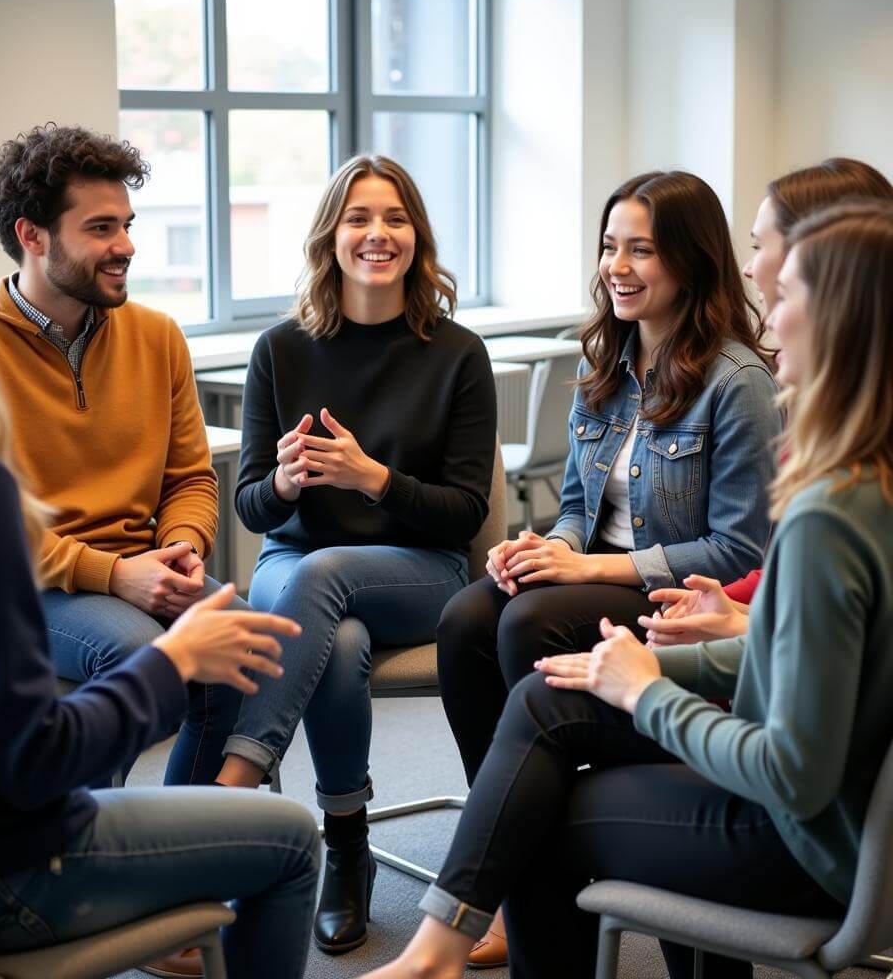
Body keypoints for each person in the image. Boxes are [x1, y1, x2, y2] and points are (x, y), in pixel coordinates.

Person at [364, 198, 893, 979]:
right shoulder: (863, 487)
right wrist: (632, 666)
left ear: (843, 321)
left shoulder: (826, 509)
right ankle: (441, 942)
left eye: (788, 294)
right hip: (817, 807)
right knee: (539, 685)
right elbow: (796, 663)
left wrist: (648, 695)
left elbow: (793, 770)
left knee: (534, 808)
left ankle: (446, 936)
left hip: (804, 838)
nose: (770, 313)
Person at [0, 173, 318, 979]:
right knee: (291, 837)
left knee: (230, 654)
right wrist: (173, 659)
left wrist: (178, 550)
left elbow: (192, 479)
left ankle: (170, 867)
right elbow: (37, 762)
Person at [437, 169, 782, 968]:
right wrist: (544, 548)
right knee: (466, 618)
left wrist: (582, 566)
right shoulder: (607, 366)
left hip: (679, 596)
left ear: (691, 262)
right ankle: (514, 853)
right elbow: (575, 508)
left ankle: (544, 857)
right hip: (592, 576)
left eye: (641, 250)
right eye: (607, 246)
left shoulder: (738, 383)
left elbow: (742, 552)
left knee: (529, 620)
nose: (616, 267)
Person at [221, 153, 497, 953]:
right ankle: (347, 850)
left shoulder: (457, 354)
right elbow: (250, 506)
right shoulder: (280, 349)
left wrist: (376, 480)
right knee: (334, 637)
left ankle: (234, 788)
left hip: (421, 569)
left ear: (417, 237)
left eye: (395, 219)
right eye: (359, 219)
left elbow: (466, 513)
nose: (378, 235)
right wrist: (283, 481)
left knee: (325, 574)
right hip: (297, 562)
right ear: (330, 237)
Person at [0, 125, 248, 796]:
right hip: (25, 585)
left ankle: (187, 832)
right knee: (133, 651)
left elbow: (188, 476)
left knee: (247, 644)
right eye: (101, 228)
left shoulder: (156, 336)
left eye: (127, 225)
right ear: (33, 236)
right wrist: (112, 574)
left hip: (145, 566)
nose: (125, 246)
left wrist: (182, 546)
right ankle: (78, 847)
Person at [658, 156, 893, 620]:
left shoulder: (840, 487)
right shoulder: (818, 410)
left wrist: (645, 688)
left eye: (757, 246)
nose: (747, 270)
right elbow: (786, 585)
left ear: (818, 256)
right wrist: (733, 607)